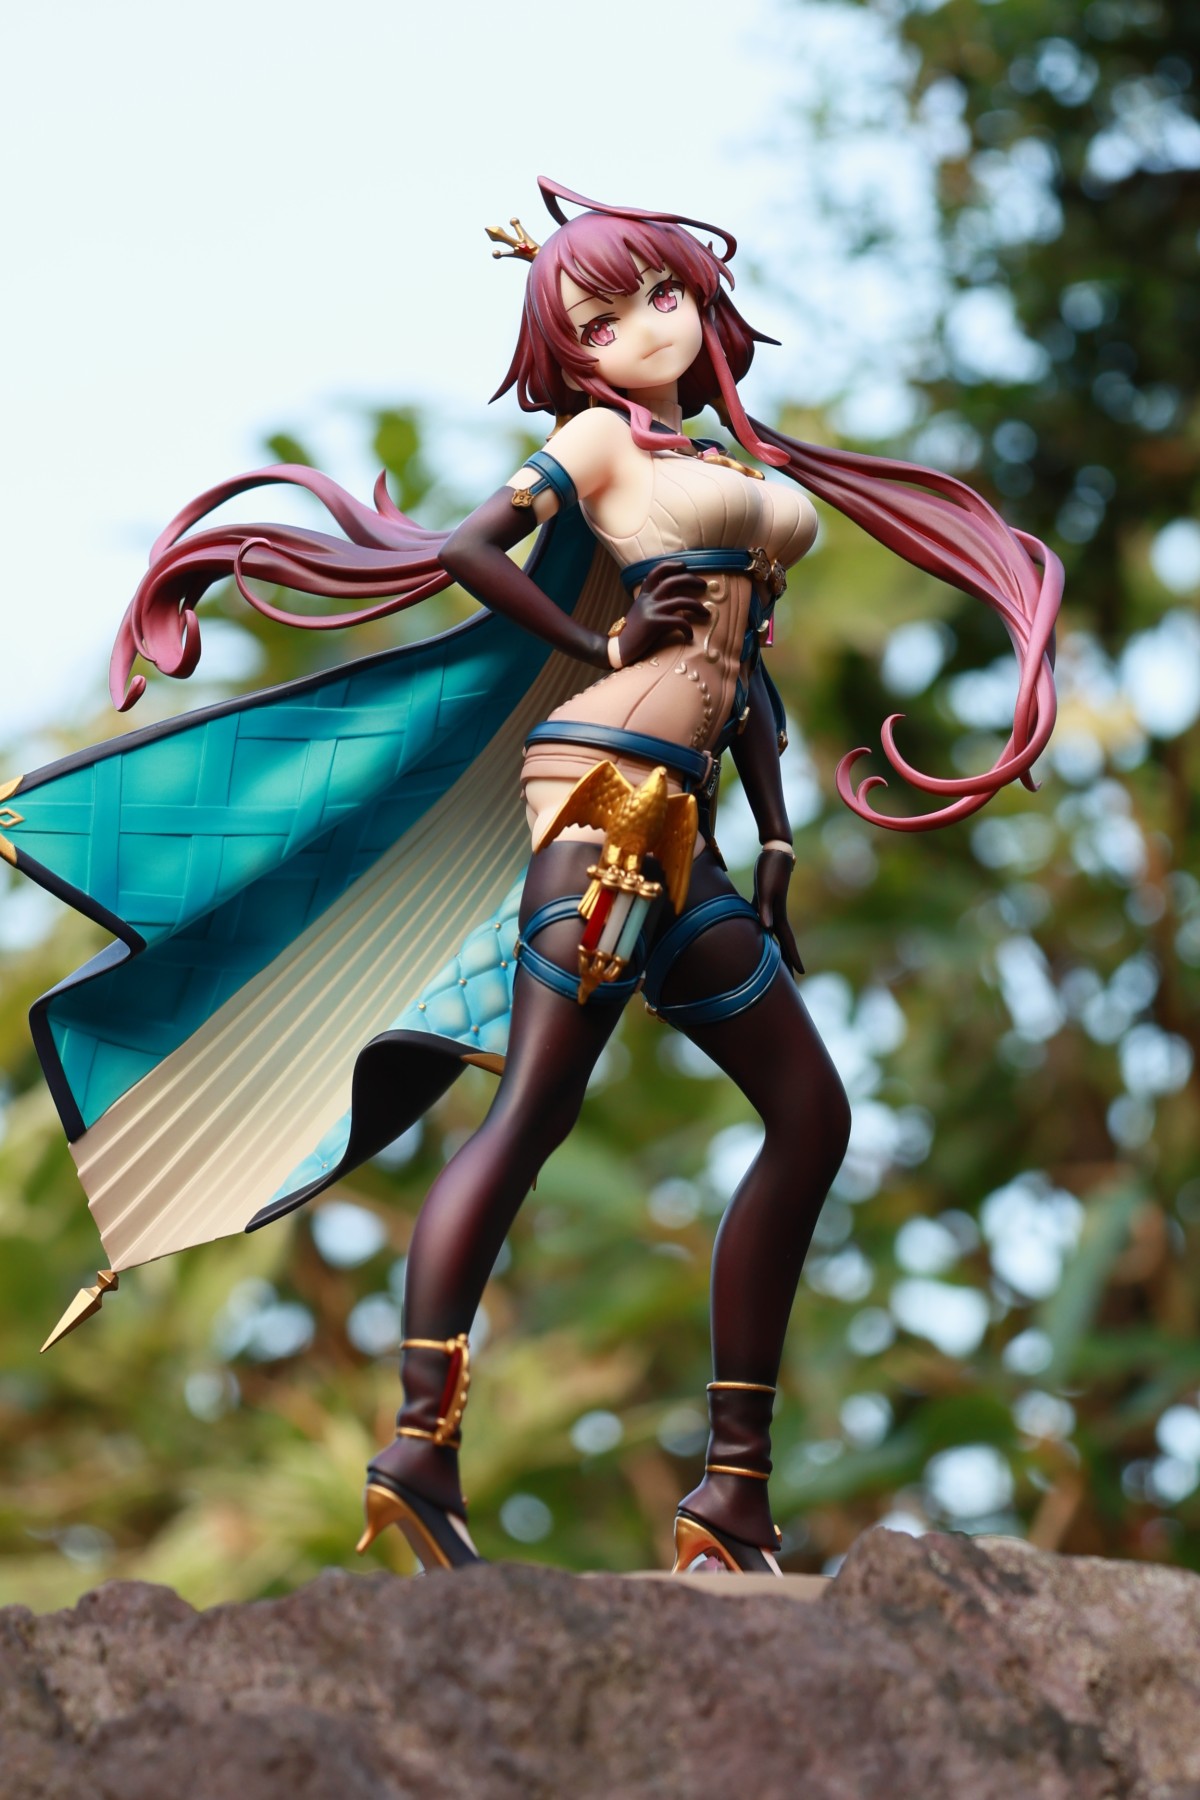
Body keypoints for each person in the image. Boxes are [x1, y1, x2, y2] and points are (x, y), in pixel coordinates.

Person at [8, 179, 1061, 1578]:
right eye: (603, 319)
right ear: (569, 350)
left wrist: (778, 837)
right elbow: (465, 552)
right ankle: (419, 1447)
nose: (647, 329)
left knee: (810, 1116)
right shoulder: (597, 444)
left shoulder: (723, 465)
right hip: (600, 801)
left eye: (663, 296)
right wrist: (603, 635)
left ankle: (733, 1496)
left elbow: (740, 679)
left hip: (689, 834)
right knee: (534, 1111)